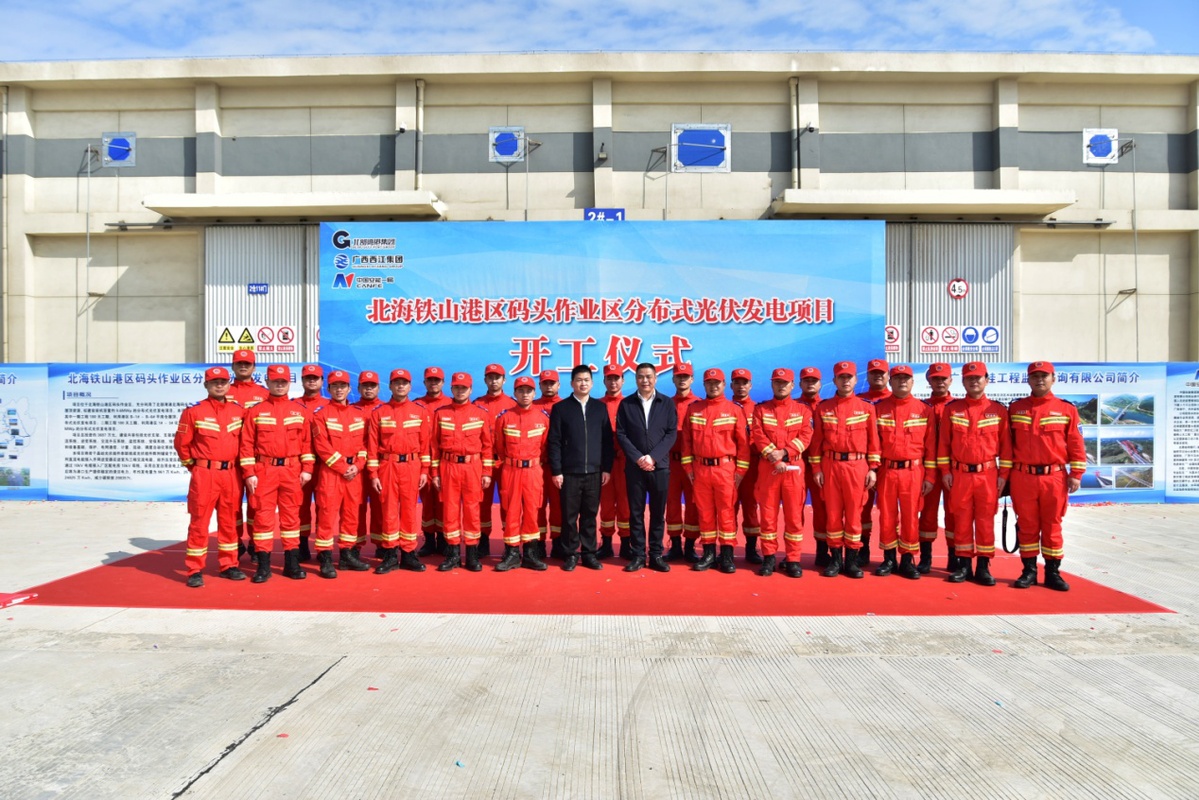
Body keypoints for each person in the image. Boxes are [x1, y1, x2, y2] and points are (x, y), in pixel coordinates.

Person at [1007, 361, 1085, 591]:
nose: (1039, 380)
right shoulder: (1016, 408)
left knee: (1052, 525)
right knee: (1027, 524)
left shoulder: (1066, 409)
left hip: (1054, 477)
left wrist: (1076, 473)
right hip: (1023, 476)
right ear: (1028, 379)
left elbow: (1076, 443)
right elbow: (1007, 445)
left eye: (1044, 376)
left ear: (1053, 378)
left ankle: (1052, 573)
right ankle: (1029, 571)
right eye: (1035, 376)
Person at [238, 364, 316, 582]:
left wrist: (307, 469)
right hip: (264, 471)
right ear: (267, 383)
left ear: (289, 383)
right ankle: (263, 566)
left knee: (291, 518)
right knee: (263, 518)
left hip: (292, 470)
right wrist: (249, 473)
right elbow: (246, 444)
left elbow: (307, 444)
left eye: (283, 382)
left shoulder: (300, 411)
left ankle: (292, 564)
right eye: (275, 382)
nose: (279, 385)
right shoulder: (255, 411)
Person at [937, 361, 1011, 586]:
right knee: (961, 520)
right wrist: (945, 471)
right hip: (960, 474)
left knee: (985, 521)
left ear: (986, 380)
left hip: (988, 475)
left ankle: (983, 567)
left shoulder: (998, 411)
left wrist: (1003, 476)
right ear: (963, 381)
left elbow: (1006, 448)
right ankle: (964, 565)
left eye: (978, 378)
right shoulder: (952, 409)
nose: (974, 382)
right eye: (969, 378)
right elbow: (944, 444)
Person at [174, 366, 246, 588]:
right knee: (199, 522)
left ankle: (229, 565)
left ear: (229, 384)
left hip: (231, 474)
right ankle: (195, 569)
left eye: (223, 382)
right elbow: (181, 444)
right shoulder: (193, 411)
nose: (219, 386)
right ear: (206, 385)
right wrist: (196, 468)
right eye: (215, 382)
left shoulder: (239, 411)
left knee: (230, 522)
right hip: (204, 475)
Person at [810, 361, 881, 579]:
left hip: (857, 467)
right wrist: (817, 468)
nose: (845, 381)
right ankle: (835, 559)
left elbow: (874, 441)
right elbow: (816, 442)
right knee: (832, 514)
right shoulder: (823, 408)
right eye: (841, 377)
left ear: (856, 380)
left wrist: (873, 468)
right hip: (830, 466)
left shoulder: (867, 408)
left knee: (853, 515)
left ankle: (851, 560)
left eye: (849, 377)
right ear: (834, 380)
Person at [680, 368, 750, 573]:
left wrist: (740, 472)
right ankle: (709, 554)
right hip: (700, 469)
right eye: (709, 383)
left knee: (727, 512)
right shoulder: (694, 409)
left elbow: (743, 445)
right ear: (704, 385)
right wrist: (688, 468)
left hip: (725, 469)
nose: (713, 386)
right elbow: (686, 442)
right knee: (705, 513)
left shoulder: (734, 410)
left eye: (717, 383)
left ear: (724, 384)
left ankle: (727, 556)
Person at [872, 365, 937, 580]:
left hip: (914, 471)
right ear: (890, 382)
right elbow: (873, 443)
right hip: (887, 470)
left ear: (912, 382)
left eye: (906, 378)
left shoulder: (924, 410)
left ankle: (908, 560)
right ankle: (889, 558)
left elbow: (931, 447)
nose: (902, 381)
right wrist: (873, 470)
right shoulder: (878, 409)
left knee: (911, 517)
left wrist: (930, 476)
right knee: (887, 516)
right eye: (897, 378)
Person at [547, 365, 614, 571]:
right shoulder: (561, 408)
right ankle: (570, 554)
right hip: (569, 473)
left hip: (594, 471)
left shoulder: (599, 408)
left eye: (586, 380)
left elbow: (607, 441)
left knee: (589, 515)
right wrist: (557, 471)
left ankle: (589, 554)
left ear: (592, 383)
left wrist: (606, 468)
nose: (583, 383)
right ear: (572, 383)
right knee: (569, 516)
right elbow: (554, 442)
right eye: (579, 380)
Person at [367, 368, 432, 575]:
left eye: (404, 383)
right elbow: (372, 447)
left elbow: (425, 445)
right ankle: (389, 554)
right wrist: (373, 474)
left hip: (412, 466)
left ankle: (409, 553)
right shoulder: (379, 412)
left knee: (409, 510)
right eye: (396, 383)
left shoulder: (420, 412)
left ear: (410, 386)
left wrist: (424, 470)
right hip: (387, 466)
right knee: (388, 511)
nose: (400, 386)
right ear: (390, 386)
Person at [750, 368, 814, 578]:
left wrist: (784, 453)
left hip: (793, 470)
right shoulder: (761, 410)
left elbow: (806, 436)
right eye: (777, 382)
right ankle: (769, 557)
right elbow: (758, 435)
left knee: (794, 517)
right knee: (768, 516)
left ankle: (793, 559)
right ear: (772, 384)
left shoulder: (803, 410)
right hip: (768, 469)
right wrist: (775, 458)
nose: (781, 386)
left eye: (785, 383)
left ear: (792, 385)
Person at [615, 362, 677, 573]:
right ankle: (638, 555)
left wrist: (653, 458)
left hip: (660, 467)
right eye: (641, 376)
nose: (645, 380)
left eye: (649, 376)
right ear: (636, 379)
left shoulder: (666, 403)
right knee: (636, 513)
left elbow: (671, 434)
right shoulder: (626, 404)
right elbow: (621, 434)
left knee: (658, 513)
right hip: (635, 467)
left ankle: (656, 554)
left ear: (656, 378)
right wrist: (638, 458)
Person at [309, 370, 370, 578]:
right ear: (328, 389)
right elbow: (322, 447)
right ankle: (325, 558)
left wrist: (358, 465)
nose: (339, 389)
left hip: (354, 474)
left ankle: (347, 555)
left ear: (349, 388)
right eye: (335, 386)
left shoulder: (359, 414)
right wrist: (344, 467)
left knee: (351, 515)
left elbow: (364, 444)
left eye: (343, 386)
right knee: (327, 515)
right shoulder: (321, 415)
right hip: (332, 474)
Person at [430, 372, 493, 572]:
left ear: (471, 390)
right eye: (457, 387)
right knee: (450, 511)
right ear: (451, 389)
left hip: (472, 467)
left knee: (472, 511)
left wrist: (487, 472)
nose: (460, 391)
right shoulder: (441, 413)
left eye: (464, 388)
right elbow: (434, 447)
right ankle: (453, 555)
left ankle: (472, 555)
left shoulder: (480, 413)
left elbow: (487, 446)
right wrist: (435, 473)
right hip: (448, 467)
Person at [492, 376, 550, 571]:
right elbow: (499, 447)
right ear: (514, 393)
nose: (525, 394)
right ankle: (512, 554)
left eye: (528, 391)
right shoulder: (504, 417)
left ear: (534, 393)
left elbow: (545, 447)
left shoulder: (542, 418)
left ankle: (531, 554)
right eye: (521, 391)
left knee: (533, 511)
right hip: (511, 470)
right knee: (511, 511)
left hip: (533, 471)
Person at [226, 348, 268, 560]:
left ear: (254, 367)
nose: (243, 367)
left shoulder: (264, 394)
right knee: (231, 505)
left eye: (247, 364)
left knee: (256, 504)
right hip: (230, 460)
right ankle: (234, 543)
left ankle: (255, 544)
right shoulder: (223, 391)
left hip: (256, 460)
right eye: (239, 363)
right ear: (233, 366)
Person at [475, 363, 517, 557]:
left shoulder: (513, 405)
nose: (494, 381)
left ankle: (509, 543)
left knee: (508, 504)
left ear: (504, 380)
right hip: (482, 462)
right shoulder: (476, 404)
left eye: (497, 377)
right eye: (490, 377)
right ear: (485, 380)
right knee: (482, 504)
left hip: (505, 463)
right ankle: (483, 541)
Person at [854, 357, 892, 567]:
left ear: (888, 376)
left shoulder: (895, 399)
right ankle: (863, 547)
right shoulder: (858, 401)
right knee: (862, 509)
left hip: (891, 465)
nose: (878, 376)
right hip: (864, 465)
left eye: (881, 373)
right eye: (873, 373)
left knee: (889, 512)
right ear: (867, 376)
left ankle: (891, 556)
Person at [918, 362, 955, 573]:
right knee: (928, 513)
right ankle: (926, 557)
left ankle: (954, 557)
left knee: (954, 513)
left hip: (954, 470)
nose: (940, 382)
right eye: (935, 379)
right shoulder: (922, 407)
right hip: (928, 468)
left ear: (951, 380)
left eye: (943, 378)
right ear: (929, 381)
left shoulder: (958, 407)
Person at [415, 366, 452, 557]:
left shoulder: (451, 404)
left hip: (445, 462)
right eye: (430, 380)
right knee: (427, 502)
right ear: (424, 382)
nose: (433, 383)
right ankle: (429, 540)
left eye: (437, 380)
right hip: (421, 462)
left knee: (445, 501)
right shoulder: (416, 405)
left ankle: (444, 540)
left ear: (443, 383)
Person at [666, 363, 700, 561]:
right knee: (672, 504)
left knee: (693, 504)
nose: (682, 380)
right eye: (678, 376)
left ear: (692, 379)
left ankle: (690, 546)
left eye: (685, 377)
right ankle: (675, 545)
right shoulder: (665, 404)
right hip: (670, 463)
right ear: (673, 379)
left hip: (693, 464)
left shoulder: (699, 404)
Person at [293, 364, 327, 562]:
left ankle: (323, 549)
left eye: (315, 378)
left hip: (325, 466)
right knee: (300, 506)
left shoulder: (330, 405)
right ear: (302, 381)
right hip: (299, 466)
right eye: (308, 378)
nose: (312, 381)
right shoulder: (293, 405)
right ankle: (302, 545)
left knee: (325, 507)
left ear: (322, 381)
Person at [797, 367, 828, 568]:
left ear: (821, 383)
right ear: (799, 384)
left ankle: (822, 552)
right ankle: (792, 554)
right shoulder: (793, 406)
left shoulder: (826, 406)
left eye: (814, 380)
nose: (810, 384)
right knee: (794, 510)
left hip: (822, 466)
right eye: (806, 380)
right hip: (797, 464)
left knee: (822, 509)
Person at [598, 365, 630, 559]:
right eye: (609, 378)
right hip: (604, 463)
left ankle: (626, 544)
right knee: (607, 504)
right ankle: (606, 543)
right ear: (604, 381)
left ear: (623, 381)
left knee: (625, 504)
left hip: (625, 462)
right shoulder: (596, 405)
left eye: (616, 378)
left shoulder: (630, 404)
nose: (613, 382)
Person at [730, 367, 762, 564]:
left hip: (753, 466)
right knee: (728, 507)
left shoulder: (759, 409)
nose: (741, 386)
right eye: (737, 383)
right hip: (729, 465)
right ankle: (727, 549)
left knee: (751, 506)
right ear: (730, 385)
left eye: (745, 383)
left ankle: (751, 548)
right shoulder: (725, 408)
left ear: (750, 385)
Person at [353, 370, 385, 562]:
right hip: (356, 467)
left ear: (378, 388)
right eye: (365, 386)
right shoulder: (351, 409)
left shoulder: (385, 409)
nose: (368, 389)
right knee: (356, 507)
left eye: (372, 386)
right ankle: (355, 546)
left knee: (381, 506)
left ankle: (381, 544)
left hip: (380, 466)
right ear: (358, 388)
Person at [534, 369, 564, 555]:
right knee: (537, 505)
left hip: (558, 466)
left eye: (552, 383)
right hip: (537, 465)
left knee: (558, 505)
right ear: (539, 385)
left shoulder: (566, 406)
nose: (548, 386)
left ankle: (558, 542)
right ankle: (538, 544)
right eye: (545, 383)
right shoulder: (531, 406)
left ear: (559, 385)